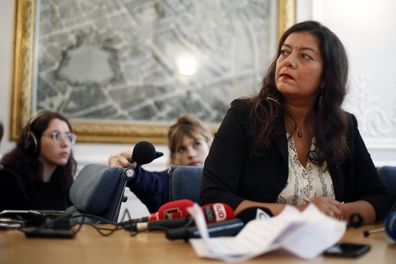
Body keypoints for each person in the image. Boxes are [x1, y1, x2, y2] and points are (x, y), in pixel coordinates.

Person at [200, 21, 390, 223]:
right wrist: (299, 214)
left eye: (305, 56)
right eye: (284, 52)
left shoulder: (344, 126)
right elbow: (213, 197)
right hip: (258, 247)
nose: (288, 61)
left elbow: (377, 199)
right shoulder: (244, 115)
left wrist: (332, 213)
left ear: (326, 77)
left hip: (329, 247)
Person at [108, 114, 213, 213]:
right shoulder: (168, 184)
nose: (191, 154)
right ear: (174, 156)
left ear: (209, 144)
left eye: (197, 144)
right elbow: (148, 182)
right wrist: (128, 166)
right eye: (181, 149)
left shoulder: (227, 176)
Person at [0, 110, 77, 211]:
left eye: (69, 137)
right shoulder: (8, 180)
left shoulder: (65, 184)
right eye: (56, 136)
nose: (65, 144)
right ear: (33, 141)